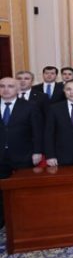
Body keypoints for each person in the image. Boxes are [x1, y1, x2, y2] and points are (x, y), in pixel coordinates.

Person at [0, 77, 43, 228]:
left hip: (23, 154)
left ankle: (26, 221)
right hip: (0, 156)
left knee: (24, 190)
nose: (6, 89)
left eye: (10, 86)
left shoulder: (30, 106)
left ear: (18, 89)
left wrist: (37, 151)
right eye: (2, 86)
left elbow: (37, 131)